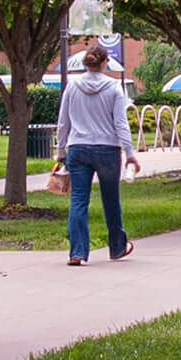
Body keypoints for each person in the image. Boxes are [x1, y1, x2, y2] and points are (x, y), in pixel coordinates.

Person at [52, 43, 135, 264]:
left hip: (77, 149)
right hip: (108, 149)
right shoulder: (115, 88)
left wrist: (60, 152)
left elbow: (63, 123)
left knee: (78, 200)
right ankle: (117, 247)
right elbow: (121, 124)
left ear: (87, 63)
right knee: (111, 199)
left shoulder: (72, 86)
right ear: (105, 63)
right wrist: (130, 153)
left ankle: (77, 252)